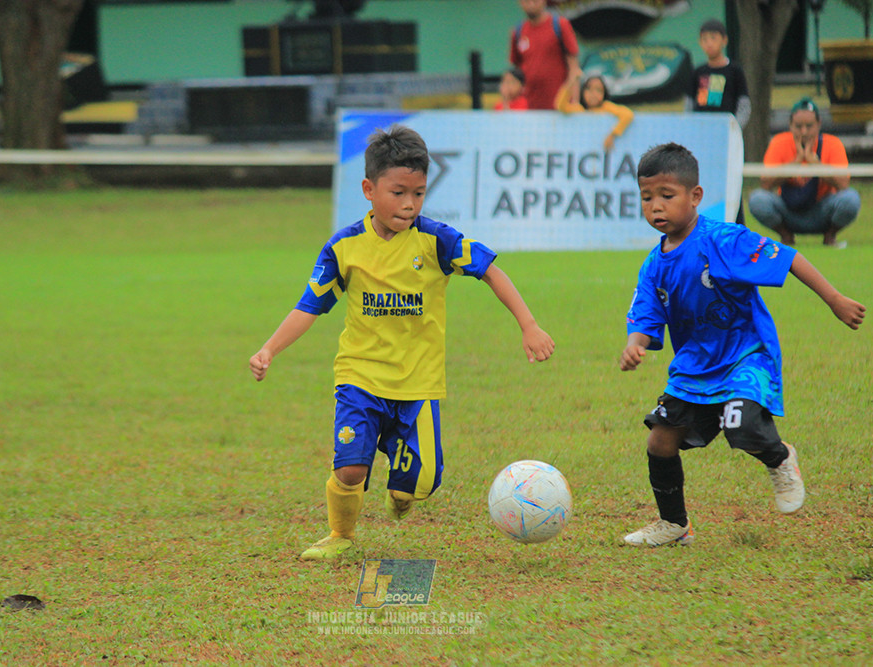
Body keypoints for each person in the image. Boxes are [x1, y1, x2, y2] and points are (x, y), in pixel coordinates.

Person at [249, 125, 556, 561]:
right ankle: (340, 535)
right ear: (369, 189)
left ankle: (403, 490)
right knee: (351, 467)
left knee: (420, 483)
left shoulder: (436, 239)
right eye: (398, 192)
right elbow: (309, 306)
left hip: (418, 385)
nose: (409, 204)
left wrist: (529, 324)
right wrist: (268, 349)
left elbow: (492, 272)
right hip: (360, 376)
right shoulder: (344, 247)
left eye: (419, 193)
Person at [619, 142, 866, 547]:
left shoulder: (723, 239)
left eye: (667, 196)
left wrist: (835, 300)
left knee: (742, 425)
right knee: (659, 440)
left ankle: (781, 458)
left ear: (695, 196)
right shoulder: (653, 264)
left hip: (744, 355)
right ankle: (674, 524)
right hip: (694, 367)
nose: (656, 207)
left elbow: (788, 258)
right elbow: (644, 314)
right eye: (647, 198)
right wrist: (635, 343)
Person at [748, 97, 861, 247]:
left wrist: (815, 164)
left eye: (809, 126)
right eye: (798, 126)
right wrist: (795, 163)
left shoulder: (832, 144)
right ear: (790, 125)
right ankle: (786, 236)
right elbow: (765, 184)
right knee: (757, 199)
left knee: (851, 199)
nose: (804, 131)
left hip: (822, 211)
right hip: (788, 211)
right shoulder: (779, 142)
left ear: (819, 124)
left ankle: (830, 236)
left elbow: (843, 184)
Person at [686, 17, 751, 225]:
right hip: (702, 138)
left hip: (726, 140)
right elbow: (689, 104)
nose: (709, 43)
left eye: (713, 38)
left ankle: (735, 225)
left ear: (724, 40)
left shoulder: (735, 71)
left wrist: (734, 129)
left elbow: (744, 104)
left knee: (730, 180)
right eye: (704, 39)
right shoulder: (698, 72)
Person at [509, 0, 580, 110]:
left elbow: (574, 69)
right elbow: (516, 73)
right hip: (530, 109)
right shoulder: (518, 32)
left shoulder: (560, 25)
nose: (531, 3)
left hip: (561, 109)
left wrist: (574, 103)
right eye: (527, 1)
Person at [554, 75, 634, 151]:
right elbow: (561, 106)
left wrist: (612, 135)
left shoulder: (606, 107)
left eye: (598, 90)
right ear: (583, 91)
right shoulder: (579, 110)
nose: (593, 94)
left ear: (604, 93)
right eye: (589, 89)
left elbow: (628, 114)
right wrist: (571, 83)